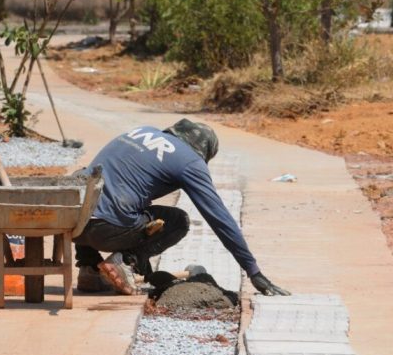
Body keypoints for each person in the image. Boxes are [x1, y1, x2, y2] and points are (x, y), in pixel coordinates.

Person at [74, 118, 290, 297]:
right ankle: (126, 262)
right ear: (203, 153)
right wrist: (253, 271)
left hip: (73, 222)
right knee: (178, 221)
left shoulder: (142, 131)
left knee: (99, 193)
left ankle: (89, 269)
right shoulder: (189, 162)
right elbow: (219, 218)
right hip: (108, 230)